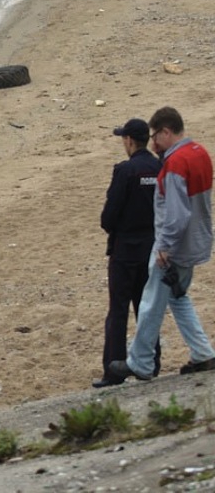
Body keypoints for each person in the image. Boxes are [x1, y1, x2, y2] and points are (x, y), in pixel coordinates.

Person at [110, 107, 215, 381]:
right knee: (178, 298)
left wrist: (165, 247)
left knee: (151, 303)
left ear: (166, 132)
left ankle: (140, 363)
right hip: (195, 243)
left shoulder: (176, 163)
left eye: (155, 136)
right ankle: (203, 353)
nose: (153, 142)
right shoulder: (200, 153)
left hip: (174, 249)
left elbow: (177, 214)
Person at [94, 118, 162, 388]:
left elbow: (109, 215)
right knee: (147, 307)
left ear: (129, 140)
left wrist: (114, 227)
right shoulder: (159, 167)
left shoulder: (125, 171)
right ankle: (150, 362)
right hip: (152, 245)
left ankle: (114, 369)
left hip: (125, 249)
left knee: (119, 310)